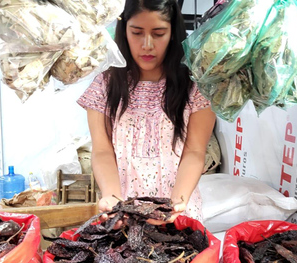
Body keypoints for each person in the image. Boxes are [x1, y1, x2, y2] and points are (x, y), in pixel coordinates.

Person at [77, 0, 216, 226]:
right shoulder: (105, 85)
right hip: (122, 215)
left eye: (159, 33)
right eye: (137, 33)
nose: (147, 44)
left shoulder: (195, 85)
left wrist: (175, 204)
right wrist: (113, 200)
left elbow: (195, 151)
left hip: (178, 213)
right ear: (124, 31)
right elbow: (102, 151)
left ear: (172, 33)